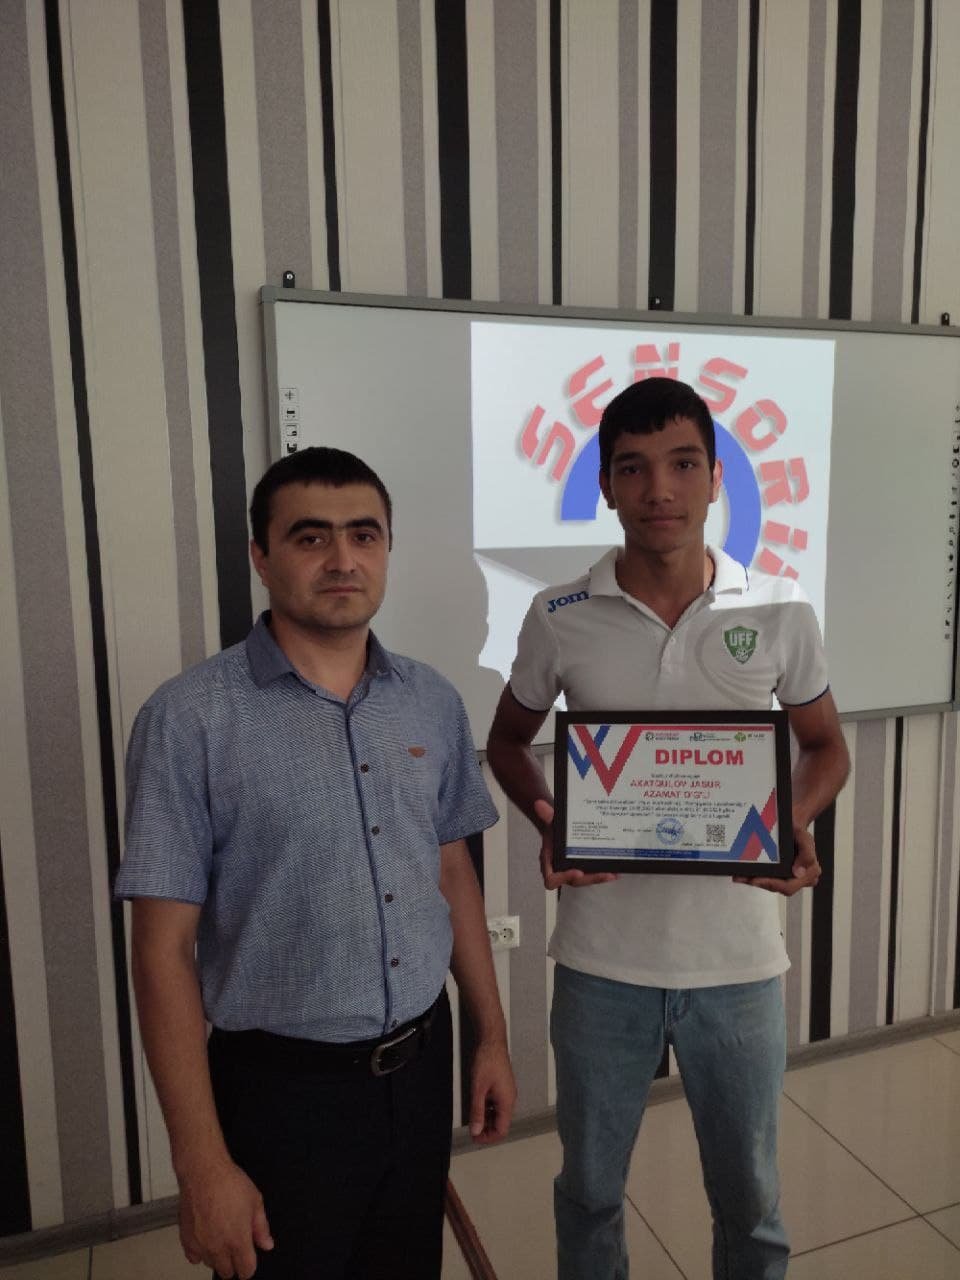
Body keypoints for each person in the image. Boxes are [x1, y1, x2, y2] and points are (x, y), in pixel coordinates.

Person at [116, 446, 515, 1280]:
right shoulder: (188, 720)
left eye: (363, 535)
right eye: (310, 537)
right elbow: (161, 949)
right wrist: (201, 1165)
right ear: (261, 557)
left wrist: (491, 1037)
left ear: (387, 550)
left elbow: (451, 875)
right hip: (278, 1095)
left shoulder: (431, 700)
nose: (342, 559)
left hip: (421, 1066)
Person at [486, 378, 849, 1280]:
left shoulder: (780, 607)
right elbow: (506, 741)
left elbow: (826, 747)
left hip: (739, 964)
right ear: (605, 486)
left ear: (717, 478)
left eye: (684, 464)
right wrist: (550, 819)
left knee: (750, 1203)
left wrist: (789, 819)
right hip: (602, 964)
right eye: (633, 468)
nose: (660, 490)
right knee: (590, 1194)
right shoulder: (559, 615)